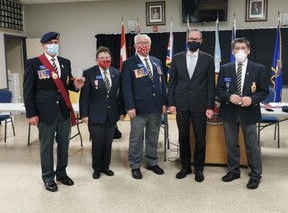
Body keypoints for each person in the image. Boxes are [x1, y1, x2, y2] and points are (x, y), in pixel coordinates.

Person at [23, 32, 84, 192]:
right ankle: (48, 177)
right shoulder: (34, 63)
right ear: (43, 45)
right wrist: (31, 114)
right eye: (50, 42)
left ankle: (62, 173)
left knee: (64, 145)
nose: (53, 44)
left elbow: (66, 84)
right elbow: (28, 91)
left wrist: (75, 86)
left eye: (55, 41)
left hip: (63, 111)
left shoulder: (65, 62)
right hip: (45, 112)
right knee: (47, 146)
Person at [216, 37, 269, 189]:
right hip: (229, 112)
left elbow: (264, 91)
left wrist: (251, 99)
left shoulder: (259, 69)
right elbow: (218, 90)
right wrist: (228, 96)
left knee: (252, 145)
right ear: (232, 51)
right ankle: (233, 171)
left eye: (243, 48)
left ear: (249, 51)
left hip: (249, 112)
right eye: (237, 48)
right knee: (231, 144)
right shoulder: (225, 68)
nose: (240, 51)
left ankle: (255, 174)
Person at [168, 29, 215, 182]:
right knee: (183, 137)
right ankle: (185, 167)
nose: (193, 41)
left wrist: (209, 106)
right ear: (187, 40)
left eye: (196, 39)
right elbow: (172, 83)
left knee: (200, 138)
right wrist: (171, 103)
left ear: (201, 41)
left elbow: (210, 86)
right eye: (191, 38)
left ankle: (199, 168)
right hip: (180, 105)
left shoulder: (208, 59)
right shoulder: (176, 58)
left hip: (200, 106)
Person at [121, 34, 167, 179]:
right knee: (136, 138)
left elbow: (162, 84)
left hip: (156, 107)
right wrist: (130, 106)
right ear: (135, 46)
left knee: (153, 136)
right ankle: (135, 165)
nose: (144, 46)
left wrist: (164, 102)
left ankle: (152, 162)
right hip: (138, 109)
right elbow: (126, 88)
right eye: (140, 43)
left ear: (150, 45)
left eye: (146, 43)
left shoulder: (157, 62)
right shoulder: (129, 63)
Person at [79, 46, 125, 179]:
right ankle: (97, 168)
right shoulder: (89, 73)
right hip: (95, 115)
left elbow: (119, 95)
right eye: (102, 58)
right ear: (96, 60)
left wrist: (122, 112)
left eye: (107, 58)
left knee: (108, 142)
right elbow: (84, 96)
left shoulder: (116, 73)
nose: (105, 60)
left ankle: (106, 167)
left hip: (111, 115)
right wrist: (84, 115)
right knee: (97, 143)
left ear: (110, 58)